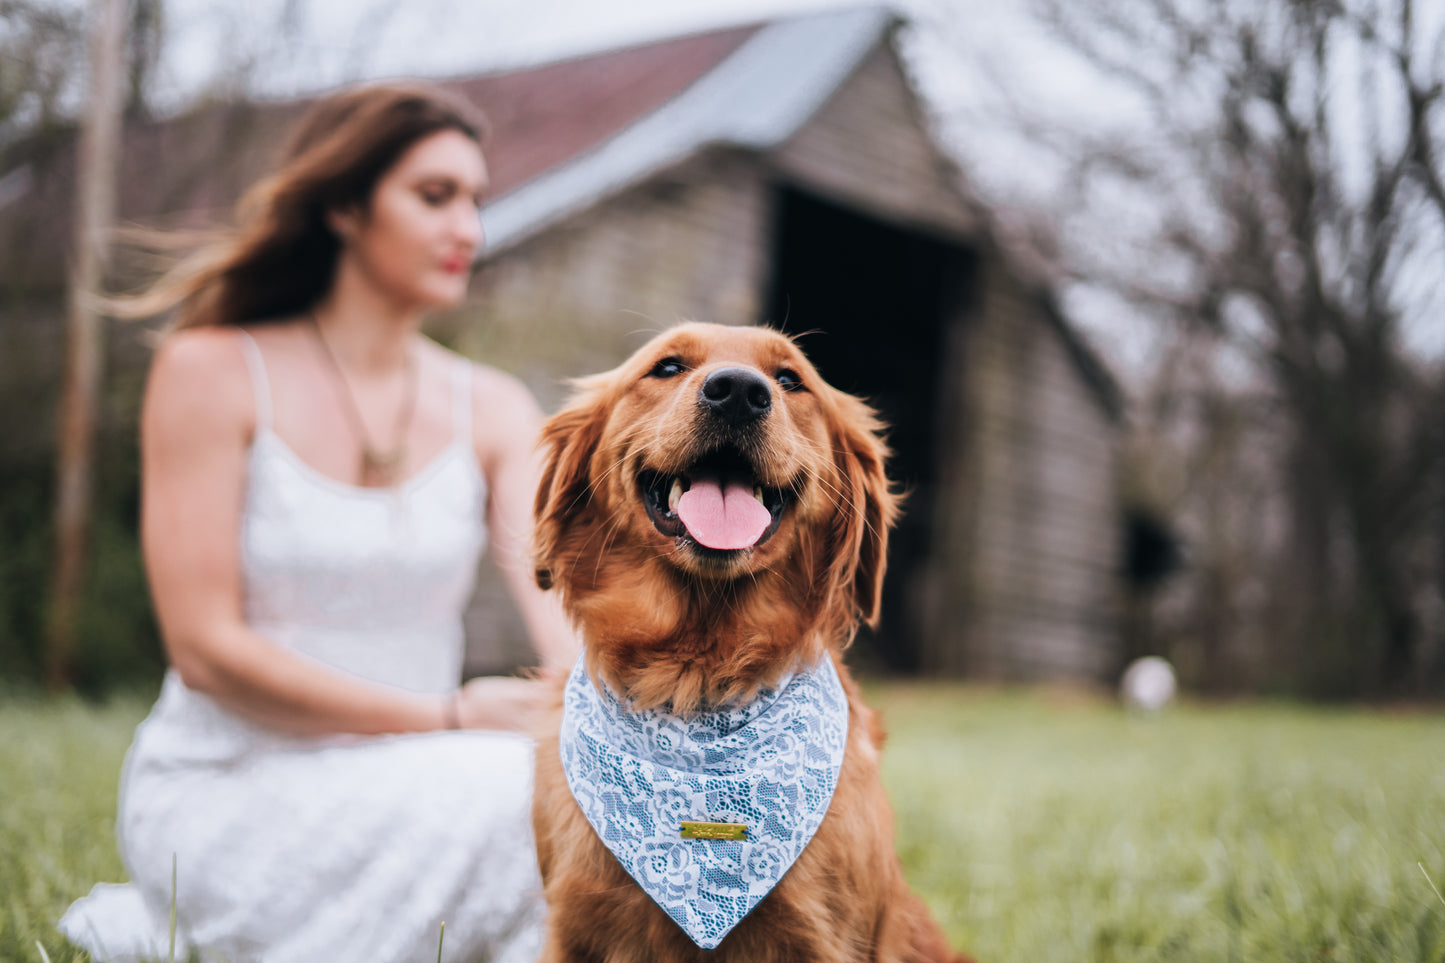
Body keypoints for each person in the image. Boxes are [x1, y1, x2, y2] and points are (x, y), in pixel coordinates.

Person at [58, 81, 577, 963]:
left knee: (574, 796)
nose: (469, 230)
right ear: (343, 204)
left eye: (476, 201)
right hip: (233, 783)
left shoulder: (491, 408)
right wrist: (450, 715)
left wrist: (594, 706)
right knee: (513, 799)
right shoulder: (211, 370)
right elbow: (205, 649)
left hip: (427, 780)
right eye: (434, 195)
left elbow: (564, 610)